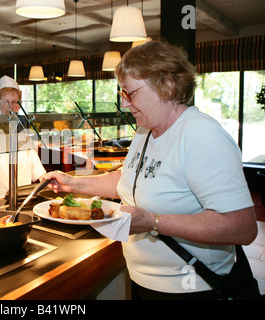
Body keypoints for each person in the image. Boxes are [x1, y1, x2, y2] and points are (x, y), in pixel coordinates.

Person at [42, 40, 257, 299]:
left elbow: (241, 227)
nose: (124, 104)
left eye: (130, 93)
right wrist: (74, 184)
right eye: (122, 93)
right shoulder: (145, 130)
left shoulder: (201, 135)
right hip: (144, 281)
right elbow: (130, 179)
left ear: (167, 85)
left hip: (192, 288)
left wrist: (154, 222)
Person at [0, 75, 46, 207]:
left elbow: (34, 162)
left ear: (19, 104)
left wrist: (46, 179)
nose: (10, 107)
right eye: (5, 101)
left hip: (20, 197)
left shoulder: (23, 129)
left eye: (15, 102)